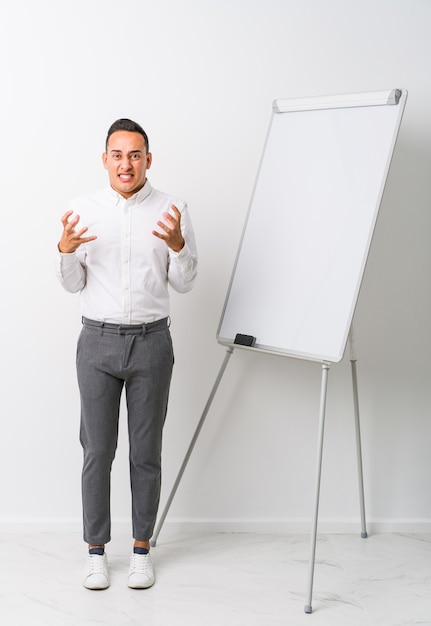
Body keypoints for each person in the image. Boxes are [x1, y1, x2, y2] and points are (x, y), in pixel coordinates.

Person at [56, 118, 198, 590]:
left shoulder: (172, 208)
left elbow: (184, 281)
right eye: (117, 154)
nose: (126, 163)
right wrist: (65, 252)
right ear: (105, 160)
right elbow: (73, 283)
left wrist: (178, 247)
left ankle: (141, 551)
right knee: (97, 451)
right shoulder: (82, 210)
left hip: (153, 343)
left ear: (148, 160)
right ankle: (96, 553)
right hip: (96, 342)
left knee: (146, 453)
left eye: (135, 154)